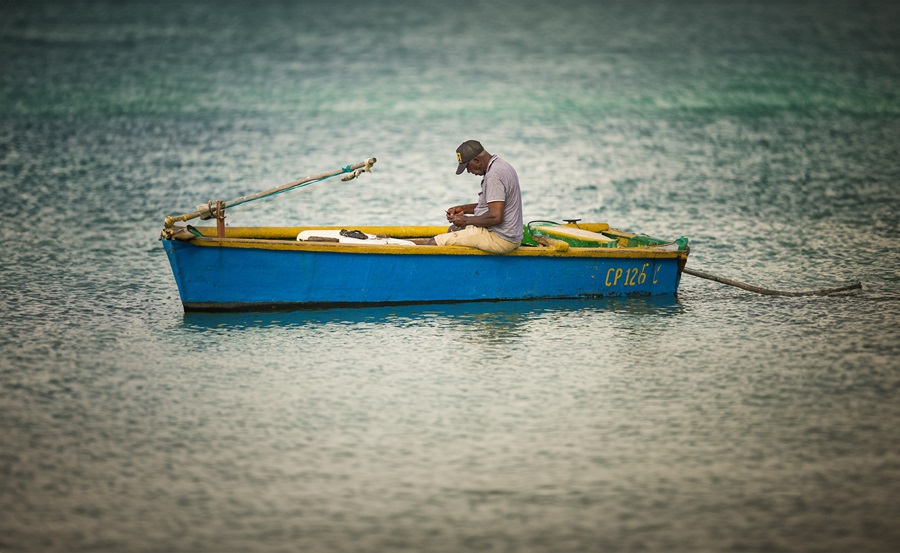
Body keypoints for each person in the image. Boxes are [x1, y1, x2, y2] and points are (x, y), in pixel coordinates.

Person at [426, 140, 523, 253]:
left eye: (468, 166)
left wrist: (466, 220)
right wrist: (464, 209)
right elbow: (495, 205)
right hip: (512, 236)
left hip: (500, 239)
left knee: (433, 243)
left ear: (476, 160)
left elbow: (496, 216)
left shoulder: (493, 176)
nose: (468, 171)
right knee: (453, 229)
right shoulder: (501, 165)